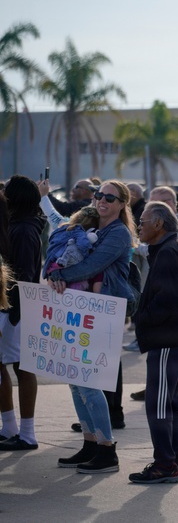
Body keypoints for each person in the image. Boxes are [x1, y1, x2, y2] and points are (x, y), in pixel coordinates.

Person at [46, 180, 138, 473]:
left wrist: (58, 275)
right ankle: (89, 443)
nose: (102, 200)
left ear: (123, 204)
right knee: (74, 378)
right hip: (81, 309)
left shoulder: (119, 233)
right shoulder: (89, 226)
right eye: (99, 195)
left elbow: (91, 266)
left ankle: (107, 450)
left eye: (110, 198)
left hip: (103, 311)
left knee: (88, 380)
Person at [128, 202, 178, 484]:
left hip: (168, 337)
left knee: (158, 405)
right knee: (167, 405)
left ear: (159, 224)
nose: (139, 226)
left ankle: (165, 464)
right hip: (173, 336)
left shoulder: (169, 251)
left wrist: (142, 318)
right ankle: (175, 461)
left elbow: (170, 299)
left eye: (143, 221)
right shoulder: (171, 247)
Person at [0, 176, 45, 452]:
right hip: (10, 308)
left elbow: (24, 278)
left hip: (15, 310)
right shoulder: (16, 225)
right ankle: (10, 428)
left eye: (5, 190)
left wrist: (10, 316)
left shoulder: (25, 229)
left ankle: (27, 433)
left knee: (23, 368)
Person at [42, 206, 101, 291]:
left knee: (54, 293)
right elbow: (83, 245)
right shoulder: (79, 230)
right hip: (66, 266)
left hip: (52, 265)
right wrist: (88, 254)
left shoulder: (61, 228)